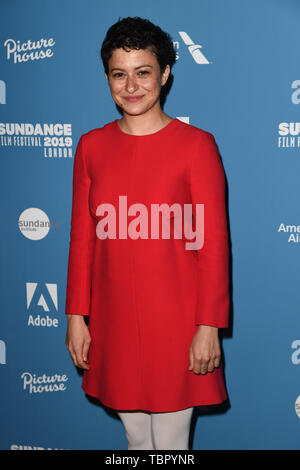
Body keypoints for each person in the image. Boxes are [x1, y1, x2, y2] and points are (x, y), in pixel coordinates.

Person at [65, 16, 230, 450]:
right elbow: (82, 239)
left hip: (178, 321)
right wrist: (75, 316)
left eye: (143, 72)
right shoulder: (91, 147)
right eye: (120, 74)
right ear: (107, 78)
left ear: (165, 74)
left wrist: (208, 325)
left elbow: (212, 244)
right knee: (136, 439)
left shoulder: (197, 146)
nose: (131, 86)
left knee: (172, 444)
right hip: (113, 319)